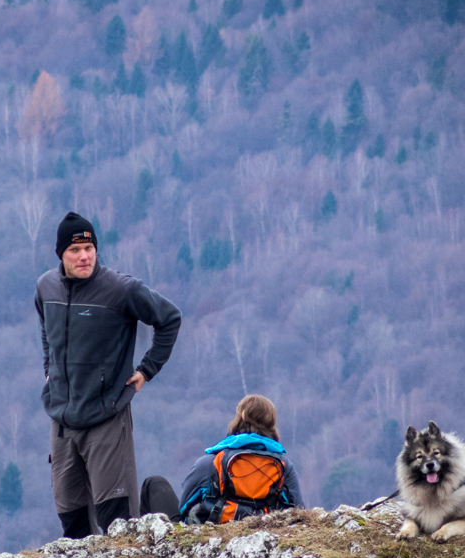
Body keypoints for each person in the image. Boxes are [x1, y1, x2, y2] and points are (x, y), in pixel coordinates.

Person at [36, 212, 182, 538]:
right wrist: (49, 368)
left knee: (117, 522)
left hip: (106, 416)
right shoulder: (46, 287)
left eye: (89, 247)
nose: (84, 256)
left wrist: (147, 370)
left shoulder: (119, 290)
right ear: (61, 253)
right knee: (71, 520)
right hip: (62, 420)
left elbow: (169, 318)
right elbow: (46, 328)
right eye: (75, 250)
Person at [178, 394, 304, 523]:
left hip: (213, 533)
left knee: (159, 485)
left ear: (238, 419)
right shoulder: (284, 466)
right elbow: (299, 512)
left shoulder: (210, 462)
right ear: (272, 423)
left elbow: (182, 508)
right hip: (266, 533)